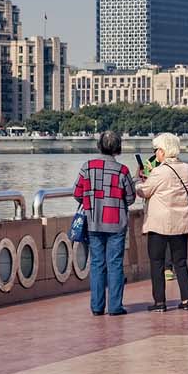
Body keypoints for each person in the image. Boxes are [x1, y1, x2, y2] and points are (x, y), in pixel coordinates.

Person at [73, 131, 136, 316]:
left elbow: (76, 193)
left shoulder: (87, 167)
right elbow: (131, 198)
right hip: (116, 223)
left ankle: (97, 306)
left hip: (93, 223)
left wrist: (90, 200)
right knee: (115, 264)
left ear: (99, 145)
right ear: (118, 148)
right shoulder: (122, 170)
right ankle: (115, 307)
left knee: (97, 263)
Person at [136, 132, 188, 311]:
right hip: (181, 221)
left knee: (157, 262)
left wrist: (139, 182)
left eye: (156, 150)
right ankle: (186, 300)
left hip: (159, 223)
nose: (155, 154)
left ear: (162, 151)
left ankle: (160, 302)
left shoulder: (159, 171)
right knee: (181, 261)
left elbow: (145, 191)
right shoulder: (187, 168)